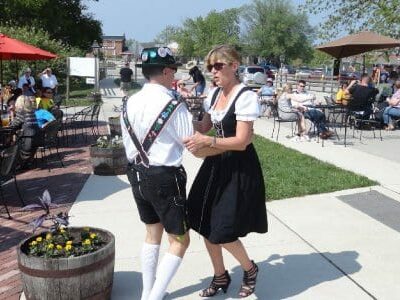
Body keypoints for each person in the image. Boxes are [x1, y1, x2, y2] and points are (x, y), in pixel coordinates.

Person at [184, 45, 267, 298]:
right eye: (210, 67)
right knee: (203, 221)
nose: (213, 72)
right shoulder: (214, 94)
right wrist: (182, 115)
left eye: (218, 66)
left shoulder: (245, 97)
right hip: (215, 164)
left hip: (237, 166)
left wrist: (207, 142)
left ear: (234, 65)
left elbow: (242, 141)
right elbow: (206, 125)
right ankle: (220, 275)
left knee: (223, 229)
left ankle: (250, 269)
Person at [121, 46, 193, 300]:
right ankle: (153, 297)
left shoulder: (130, 101)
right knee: (180, 240)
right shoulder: (173, 103)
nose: (175, 73)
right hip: (164, 177)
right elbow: (190, 142)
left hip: (136, 173)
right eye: (173, 69)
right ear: (164, 71)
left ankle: (146, 292)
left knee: (152, 233)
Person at [10, 95, 41, 166]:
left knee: (12, 143)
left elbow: (13, 125)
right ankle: (27, 162)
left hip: (27, 140)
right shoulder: (32, 112)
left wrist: (12, 113)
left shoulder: (22, 112)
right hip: (37, 138)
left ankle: (17, 163)